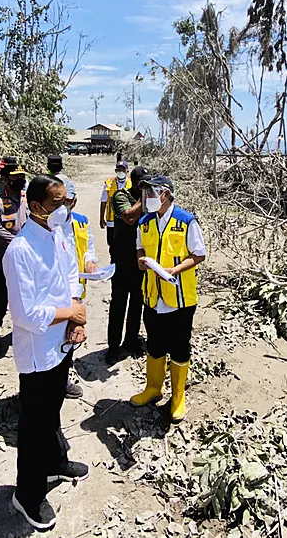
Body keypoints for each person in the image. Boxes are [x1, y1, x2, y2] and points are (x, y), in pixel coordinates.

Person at [3, 175, 90, 531]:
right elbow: (25, 315)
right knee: (35, 426)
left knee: (53, 411)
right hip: (39, 351)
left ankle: (55, 463)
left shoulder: (57, 234)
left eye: (66, 201)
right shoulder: (20, 251)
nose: (64, 209)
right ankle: (28, 495)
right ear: (36, 207)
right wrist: (71, 314)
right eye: (57, 204)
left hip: (62, 342)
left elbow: (69, 274)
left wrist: (75, 313)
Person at [132, 176, 206, 423]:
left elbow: (199, 254)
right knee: (154, 344)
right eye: (145, 194)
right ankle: (153, 388)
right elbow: (140, 248)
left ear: (165, 194)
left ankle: (177, 397)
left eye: (151, 193)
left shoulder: (186, 221)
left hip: (180, 297)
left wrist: (175, 271)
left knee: (179, 347)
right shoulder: (144, 222)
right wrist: (142, 260)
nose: (147, 198)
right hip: (153, 295)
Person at [58, 175, 98, 399]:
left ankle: (64, 379)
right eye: (60, 200)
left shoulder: (81, 221)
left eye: (68, 201)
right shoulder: (45, 223)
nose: (65, 206)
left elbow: (89, 245)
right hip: (53, 292)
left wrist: (90, 261)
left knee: (71, 336)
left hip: (76, 289)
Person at [0, 160, 28, 356]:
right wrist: (21, 243)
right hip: (0, 261)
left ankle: (24, 333)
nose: (20, 180)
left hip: (25, 261)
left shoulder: (29, 198)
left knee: (24, 298)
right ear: (5, 179)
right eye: (15, 177)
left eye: (22, 177)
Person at [106, 165, 148, 362]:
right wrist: (144, 198)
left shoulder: (150, 201)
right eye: (142, 184)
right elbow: (130, 217)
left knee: (137, 304)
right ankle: (113, 347)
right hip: (122, 260)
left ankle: (130, 341)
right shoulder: (120, 196)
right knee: (118, 305)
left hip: (140, 261)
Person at [100, 161, 131, 258]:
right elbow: (103, 201)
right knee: (112, 245)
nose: (120, 171)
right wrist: (101, 218)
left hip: (127, 220)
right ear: (115, 170)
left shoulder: (131, 182)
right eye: (118, 169)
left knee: (125, 244)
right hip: (111, 221)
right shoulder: (109, 183)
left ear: (127, 171)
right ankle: (113, 264)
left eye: (123, 169)